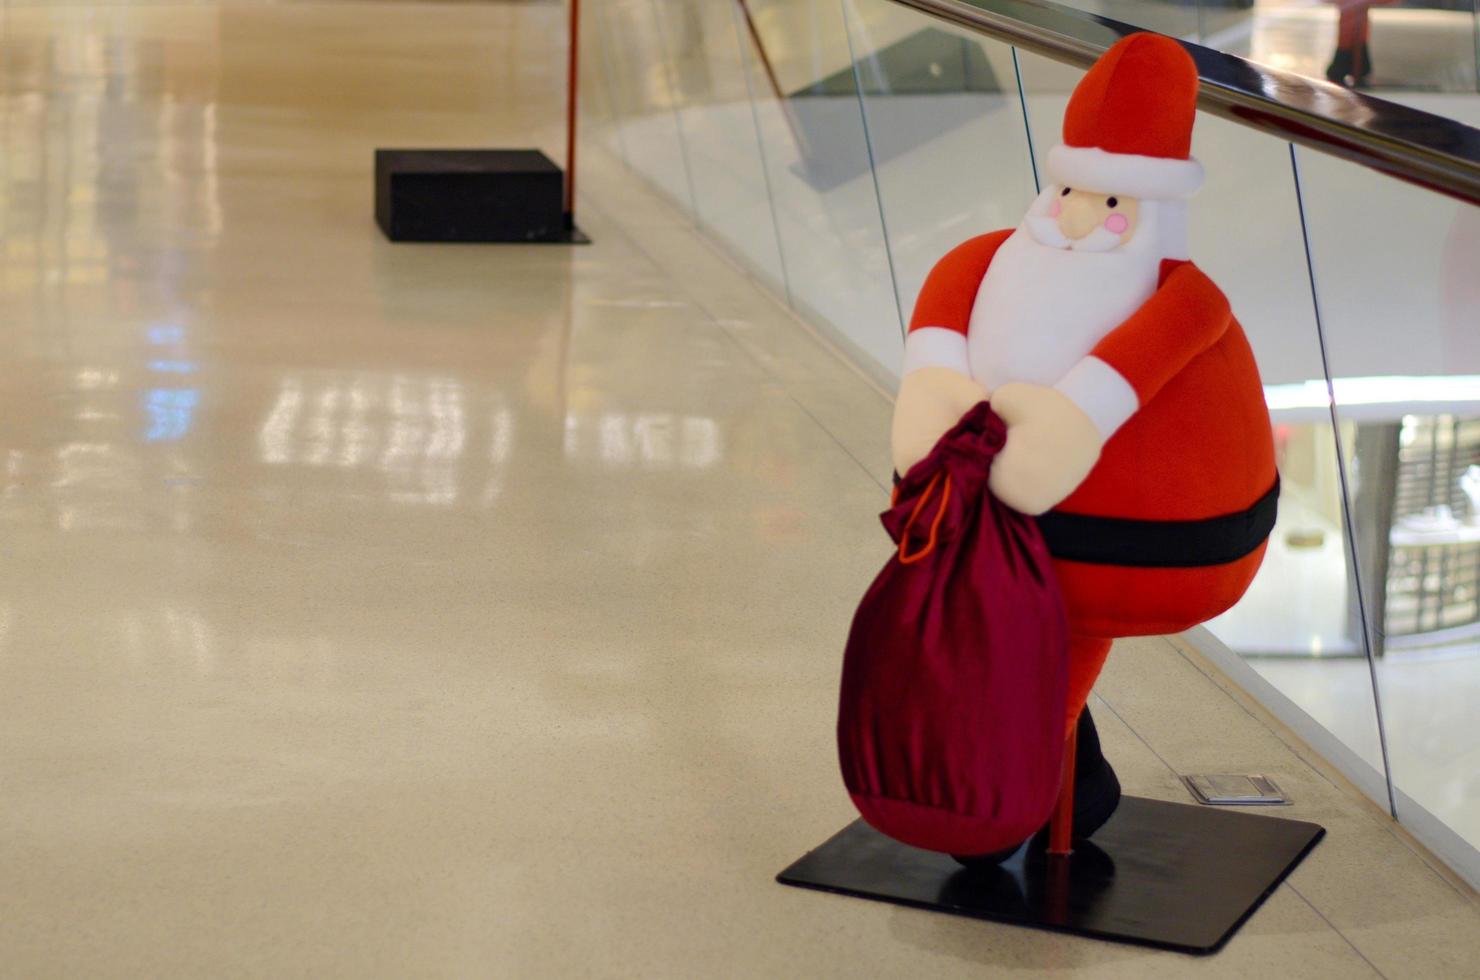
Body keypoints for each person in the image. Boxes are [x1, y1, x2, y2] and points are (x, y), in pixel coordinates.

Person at [892, 33, 1278, 852]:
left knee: (1052, 649)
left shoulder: (1183, 298)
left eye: (1111, 204)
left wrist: (1057, 432)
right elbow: (939, 322)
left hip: (1108, 541)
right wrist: (935, 403)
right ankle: (1048, 790)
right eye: (1070, 190)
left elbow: (1117, 380)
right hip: (993, 516)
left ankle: (1015, 798)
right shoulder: (991, 254)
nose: (1078, 217)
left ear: (1152, 209)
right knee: (1024, 654)